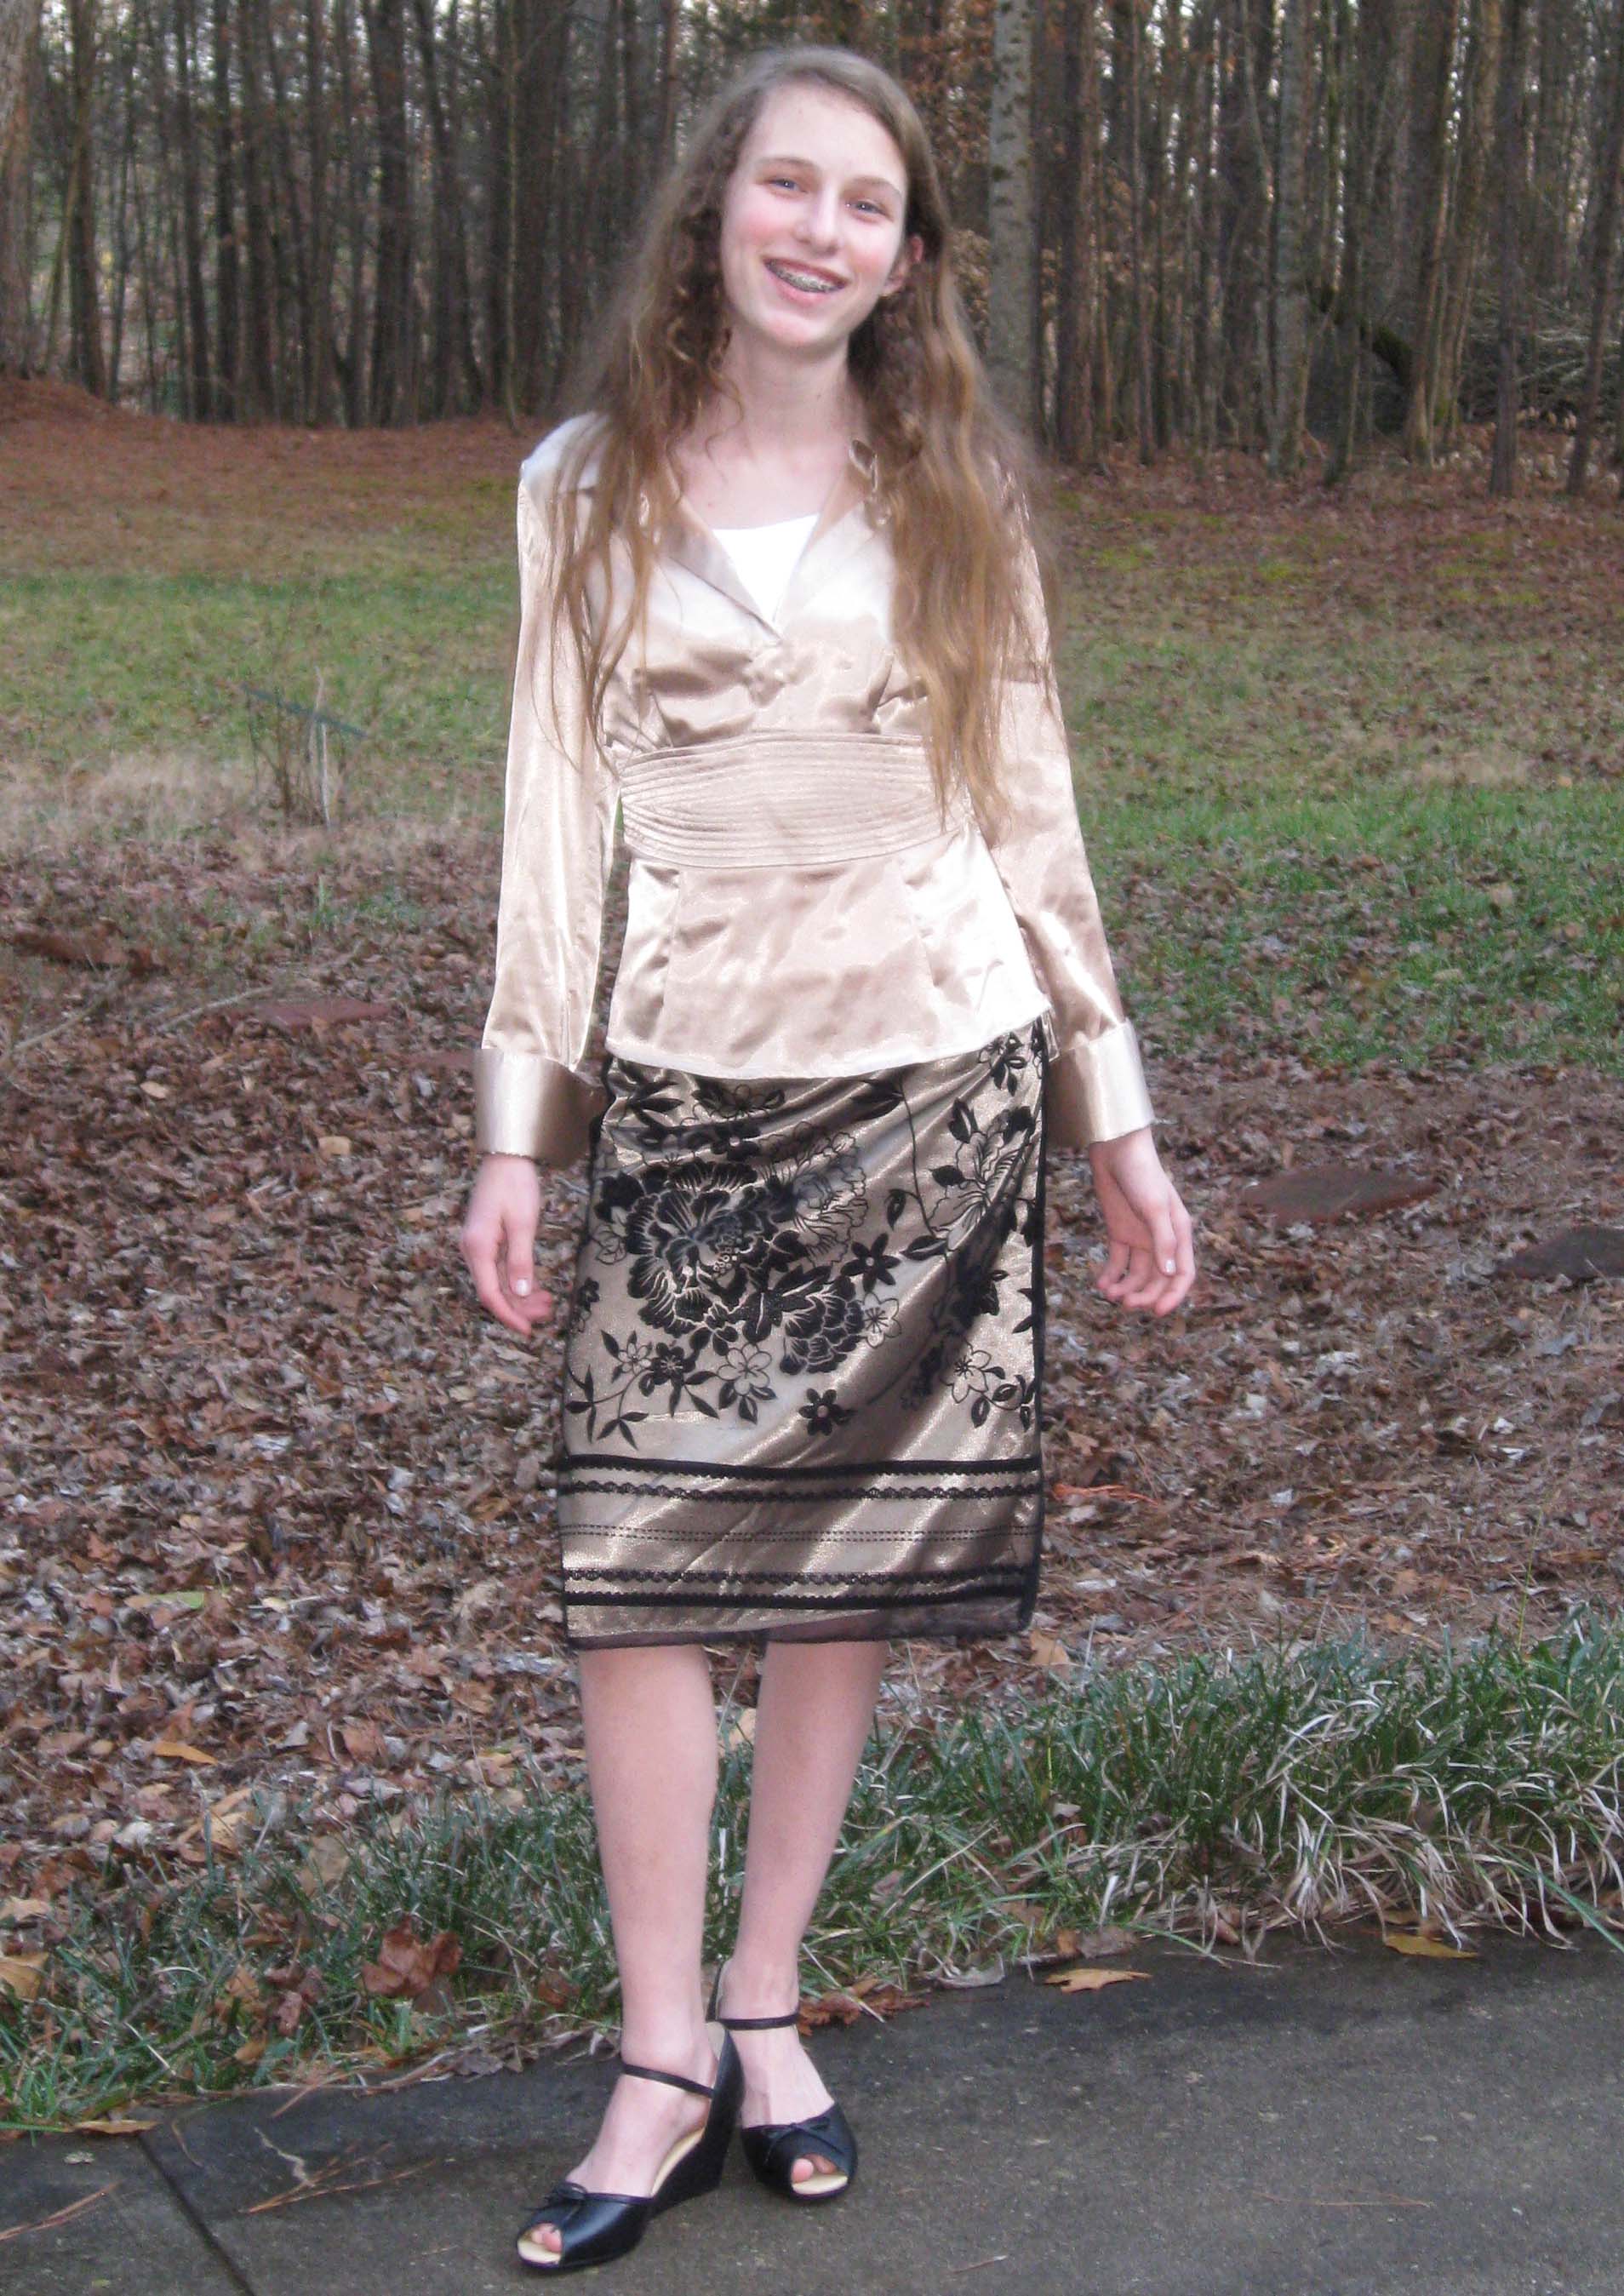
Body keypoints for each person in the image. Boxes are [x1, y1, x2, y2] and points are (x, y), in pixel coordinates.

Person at [460, 42, 1197, 2276]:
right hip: (689, 1092)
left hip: (930, 1085)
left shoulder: (951, 483)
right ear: (717, 213)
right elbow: (554, 828)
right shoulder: (581, 488)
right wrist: (519, 1130)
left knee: (832, 1575)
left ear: (905, 259)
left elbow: (1031, 806)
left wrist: (1115, 1115)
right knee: (641, 1579)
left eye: (865, 205)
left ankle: (765, 2002)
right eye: (787, 186)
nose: (819, 230)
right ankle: (657, 2046)